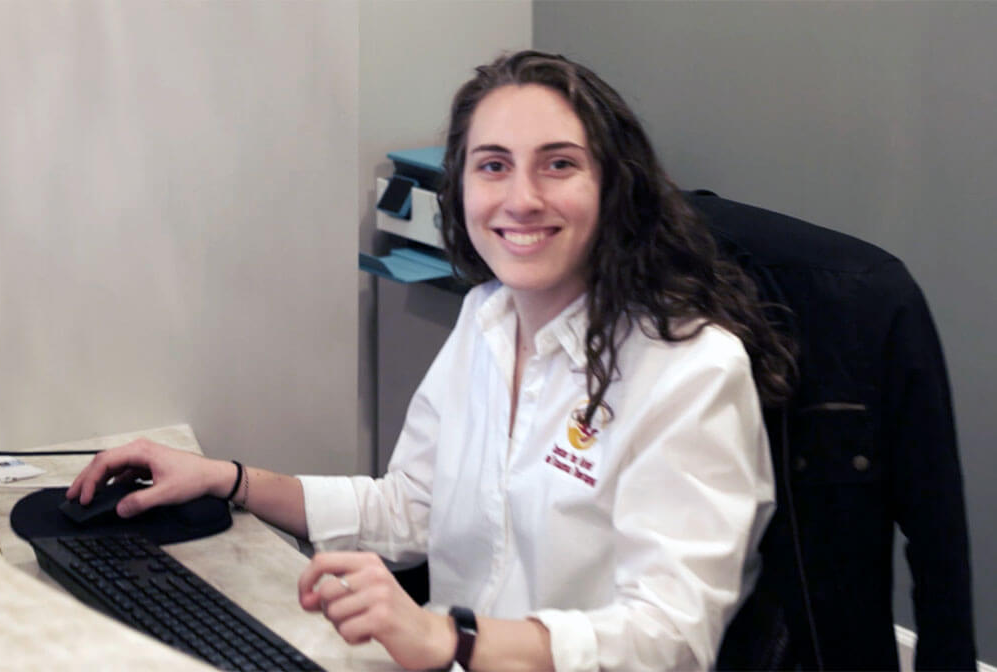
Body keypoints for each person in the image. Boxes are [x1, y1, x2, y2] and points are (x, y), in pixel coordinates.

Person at [67, 51, 795, 671]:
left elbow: (671, 637)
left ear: (616, 186)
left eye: (559, 165)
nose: (520, 197)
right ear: (462, 187)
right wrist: (228, 481)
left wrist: (451, 639)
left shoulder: (691, 371)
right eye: (492, 165)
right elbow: (411, 508)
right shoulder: (487, 317)